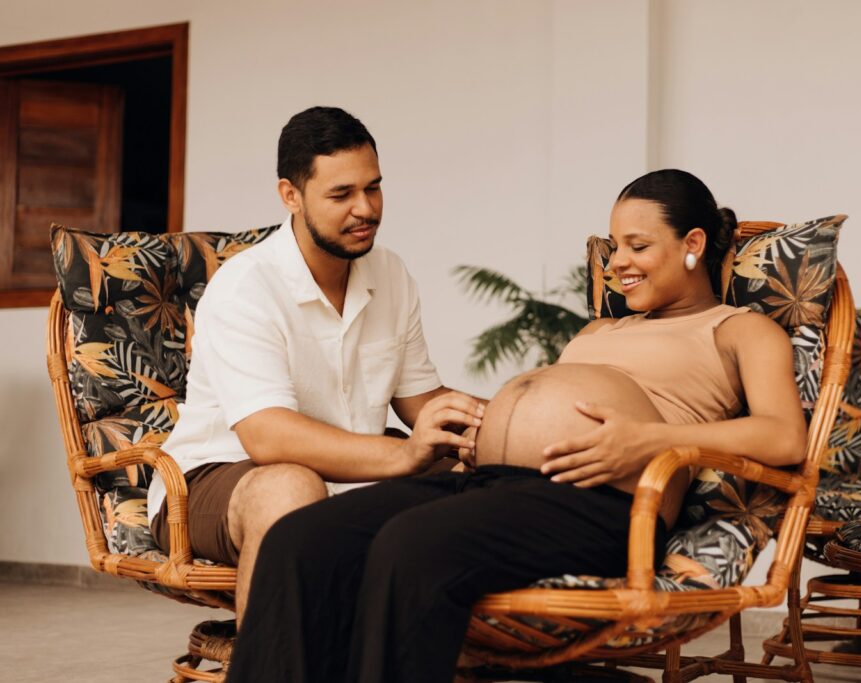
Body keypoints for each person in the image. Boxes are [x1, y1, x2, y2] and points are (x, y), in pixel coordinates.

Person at [227, 169, 808, 683]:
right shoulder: (601, 331)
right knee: (299, 541)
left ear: (693, 244)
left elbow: (784, 437)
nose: (617, 264)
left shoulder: (738, 329)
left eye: (637, 246)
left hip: (602, 502)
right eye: (614, 249)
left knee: (411, 548)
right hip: (495, 485)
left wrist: (649, 440)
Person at [146, 106, 483, 620]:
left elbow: (421, 401)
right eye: (342, 194)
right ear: (291, 195)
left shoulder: (390, 273)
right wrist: (404, 457)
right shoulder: (246, 286)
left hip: (356, 473)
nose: (365, 208)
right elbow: (269, 439)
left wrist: (513, 420)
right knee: (290, 486)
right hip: (218, 476)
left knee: (490, 470)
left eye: (373, 188)